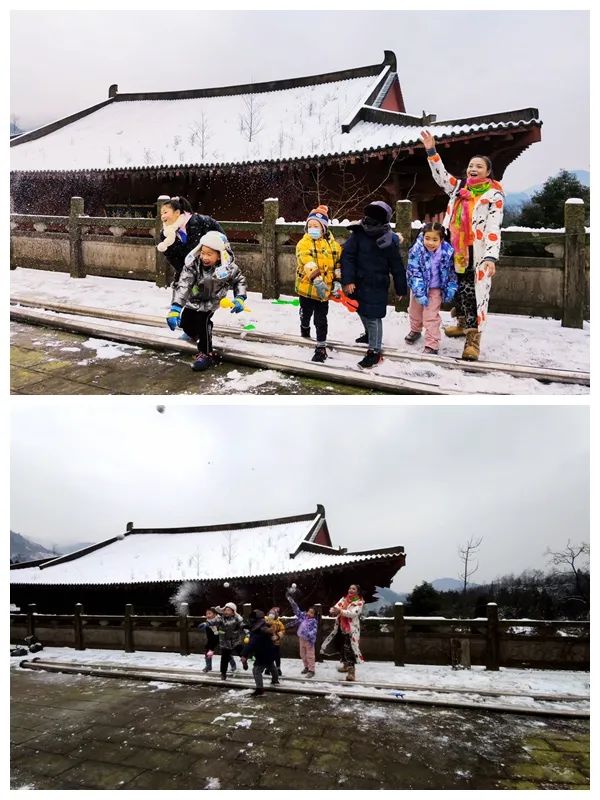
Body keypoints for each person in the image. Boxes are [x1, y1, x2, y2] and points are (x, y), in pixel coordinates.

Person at [419, 130, 505, 361]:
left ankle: (473, 339)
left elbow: (493, 228)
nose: (473, 169)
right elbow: (441, 176)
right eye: (470, 165)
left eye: (478, 166)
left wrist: (490, 257)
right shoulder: (459, 189)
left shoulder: (493, 195)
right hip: (453, 250)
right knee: (455, 289)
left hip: (475, 253)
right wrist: (431, 150)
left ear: (488, 172)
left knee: (472, 294)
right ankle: (460, 322)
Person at [166, 230, 248, 372]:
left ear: (219, 255)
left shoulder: (227, 268)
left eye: (209, 254)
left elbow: (239, 280)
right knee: (185, 322)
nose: (204, 257)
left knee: (202, 322)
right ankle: (199, 335)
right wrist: (175, 308)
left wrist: (239, 298)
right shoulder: (193, 265)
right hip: (193, 299)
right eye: (203, 252)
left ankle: (206, 353)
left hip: (212, 301)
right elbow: (184, 284)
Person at [341, 201, 406, 368]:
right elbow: (347, 257)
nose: (371, 219)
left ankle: (375, 351)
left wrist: (400, 287)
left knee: (373, 316)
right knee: (360, 310)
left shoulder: (388, 240)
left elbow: (396, 265)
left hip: (377, 284)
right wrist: (348, 280)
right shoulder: (358, 234)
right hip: (358, 282)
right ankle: (370, 335)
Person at [295, 205, 343, 363]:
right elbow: (306, 260)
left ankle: (321, 347)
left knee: (321, 318)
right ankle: (304, 324)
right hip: (307, 288)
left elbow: (338, 265)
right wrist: (316, 278)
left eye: (316, 226)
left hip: (324, 291)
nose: (312, 229)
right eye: (310, 226)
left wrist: (337, 282)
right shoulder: (303, 243)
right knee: (307, 312)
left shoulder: (334, 246)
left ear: (324, 228)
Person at [405, 223, 457, 355]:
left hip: (435, 289)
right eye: (427, 238)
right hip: (419, 287)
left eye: (435, 240)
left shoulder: (447, 252)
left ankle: (432, 343)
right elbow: (413, 271)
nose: (430, 243)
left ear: (441, 240)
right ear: (423, 236)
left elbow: (452, 271)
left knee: (431, 316)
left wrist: (451, 287)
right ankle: (415, 330)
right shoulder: (417, 250)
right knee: (415, 311)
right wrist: (419, 291)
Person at [157, 196, 225, 285]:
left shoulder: (196, 222)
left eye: (165, 212)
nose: (163, 216)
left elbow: (196, 249)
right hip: (186, 272)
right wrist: (184, 272)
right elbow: (172, 257)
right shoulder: (165, 234)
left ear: (177, 212)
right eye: (161, 213)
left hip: (210, 269)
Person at [320, 584, 364, 682]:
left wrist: (340, 611)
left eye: (353, 589)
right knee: (342, 648)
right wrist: (333, 611)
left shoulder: (359, 602)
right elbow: (335, 607)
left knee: (349, 650)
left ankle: (351, 672)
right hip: (340, 627)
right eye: (350, 588)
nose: (351, 590)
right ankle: (345, 666)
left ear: (357, 591)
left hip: (351, 630)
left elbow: (353, 613)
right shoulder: (344, 599)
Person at [240, 610, 279, 697]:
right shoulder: (263, 625)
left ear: (254, 620)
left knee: (256, 670)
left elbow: (251, 644)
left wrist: (244, 654)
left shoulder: (257, 631)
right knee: (271, 665)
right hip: (271, 651)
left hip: (262, 654)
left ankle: (259, 689)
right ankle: (275, 680)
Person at [287, 593, 318, 677]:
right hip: (301, 639)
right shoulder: (303, 616)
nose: (309, 613)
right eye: (309, 611)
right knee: (302, 654)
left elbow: (314, 631)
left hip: (309, 641)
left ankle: (312, 670)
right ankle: (306, 667)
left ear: (314, 615)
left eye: (312, 613)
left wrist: (308, 634)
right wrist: (292, 602)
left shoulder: (314, 622)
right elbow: (297, 611)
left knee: (310, 655)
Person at [213, 602, 246, 680]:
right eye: (225, 610)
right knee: (224, 658)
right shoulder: (221, 619)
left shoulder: (237, 619)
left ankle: (244, 661)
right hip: (225, 642)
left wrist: (247, 632)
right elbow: (214, 623)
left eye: (228, 610)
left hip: (236, 641)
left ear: (233, 611)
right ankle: (223, 673)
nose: (226, 612)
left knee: (242, 653)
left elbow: (243, 626)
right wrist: (214, 620)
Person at [197, 607, 221, 673]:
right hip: (210, 640)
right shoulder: (208, 621)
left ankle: (233, 665)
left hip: (220, 640)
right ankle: (208, 666)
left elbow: (216, 632)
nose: (208, 615)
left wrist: (209, 626)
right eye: (207, 614)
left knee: (225, 653)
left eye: (209, 613)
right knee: (207, 652)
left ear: (215, 614)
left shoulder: (218, 620)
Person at [265, 607, 285, 677]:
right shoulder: (265, 622)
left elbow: (282, 631)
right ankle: (268, 668)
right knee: (268, 655)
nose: (271, 616)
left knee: (277, 656)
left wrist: (277, 636)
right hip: (268, 643)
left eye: (273, 614)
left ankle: (278, 668)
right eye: (270, 614)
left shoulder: (279, 623)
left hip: (276, 643)